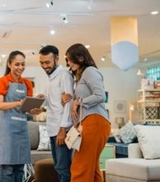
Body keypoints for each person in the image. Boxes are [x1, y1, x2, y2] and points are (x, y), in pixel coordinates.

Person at [64, 43, 111, 182]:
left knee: (80, 167)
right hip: (90, 122)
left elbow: (100, 96)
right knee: (92, 168)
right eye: (67, 60)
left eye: (70, 59)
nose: (68, 63)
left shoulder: (90, 71)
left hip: (94, 121)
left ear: (80, 57)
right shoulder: (81, 75)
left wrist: (78, 101)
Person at [32, 45, 74, 182]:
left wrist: (63, 129)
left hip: (62, 130)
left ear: (57, 59)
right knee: (58, 167)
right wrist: (40, 104)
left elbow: (68, 103)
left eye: (47, 62)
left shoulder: (65, 76)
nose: (44, 66)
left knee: (64, 169)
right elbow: (50, 101)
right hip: (52, 128)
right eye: (42, 63)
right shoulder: (50, 78)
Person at [0, 50, 34, 182]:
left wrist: (36, 109)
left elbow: (27, 109)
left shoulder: (27, 83)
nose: (20, 68)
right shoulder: (3, 81)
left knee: (20, 167)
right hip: (7, 128)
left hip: (22, 128)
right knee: (8, 167)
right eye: (17, 64)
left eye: (23, 64)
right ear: (9, 64)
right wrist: (18, 102)